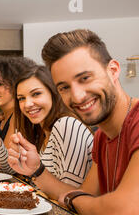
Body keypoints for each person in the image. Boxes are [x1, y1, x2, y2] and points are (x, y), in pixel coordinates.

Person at [8, 29, 139, 215]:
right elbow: (81, 195)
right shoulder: (102, 138)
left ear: (113, 70)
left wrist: (77, 200)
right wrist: (36, 170)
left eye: (85, 78)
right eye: (64, 87)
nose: (77, 96)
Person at [10, 64, 93, 195]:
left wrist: (36, 171)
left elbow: (74, 197)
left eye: (36, 94)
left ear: (54, 93)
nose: (27, 104)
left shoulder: (66, 124)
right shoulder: (41, 133)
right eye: (21, 98)